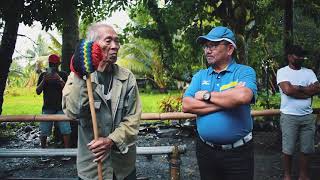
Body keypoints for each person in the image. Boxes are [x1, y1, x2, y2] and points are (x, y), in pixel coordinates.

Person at [62, 23, 141, 180]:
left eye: (117, 41)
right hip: (92, 167)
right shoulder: (77, 76)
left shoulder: (127, 77)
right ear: (94, 45)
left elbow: (133, 118)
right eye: (108, 40)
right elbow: (72, 112)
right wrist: (80, 76)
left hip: (123, 168)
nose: (115, 46)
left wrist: (111, 140)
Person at [182, 26, 257, 180]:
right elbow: (187, 105)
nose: (207, 50)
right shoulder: (200, 75)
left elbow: (243, 96)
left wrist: (206, 95)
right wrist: (228, 101)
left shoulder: (244, 71)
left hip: (239, 153)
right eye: (206, 46)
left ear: (229, 49)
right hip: (206, 151)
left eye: (213, 45)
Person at [276, 45, 320, 180]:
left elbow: (317, 88)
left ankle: (303, 176)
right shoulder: (282, 72)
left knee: (306, 149)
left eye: (302, 55)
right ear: (289, 56)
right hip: (289, 116)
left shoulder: (309, 72)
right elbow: (287, 90)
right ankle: (287, 176)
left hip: (307, 116)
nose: (301, 58)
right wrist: (306, 91)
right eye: (298, 55)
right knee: (288, 149)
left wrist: (298, 88)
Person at [36, 54, 71, 161]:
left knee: (66, 130)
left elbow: (68, 90)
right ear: (49, 64)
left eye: (55, 65)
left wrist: (60, 79)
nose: (53, 67)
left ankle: (67, 153)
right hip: (47, 107)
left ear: (58, 64)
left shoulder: (63, 74)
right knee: (44, 131)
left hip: (61, 107)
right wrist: (44, 81)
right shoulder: (43, 75)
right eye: (51, 64)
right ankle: (43, 153)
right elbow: (38, 91)